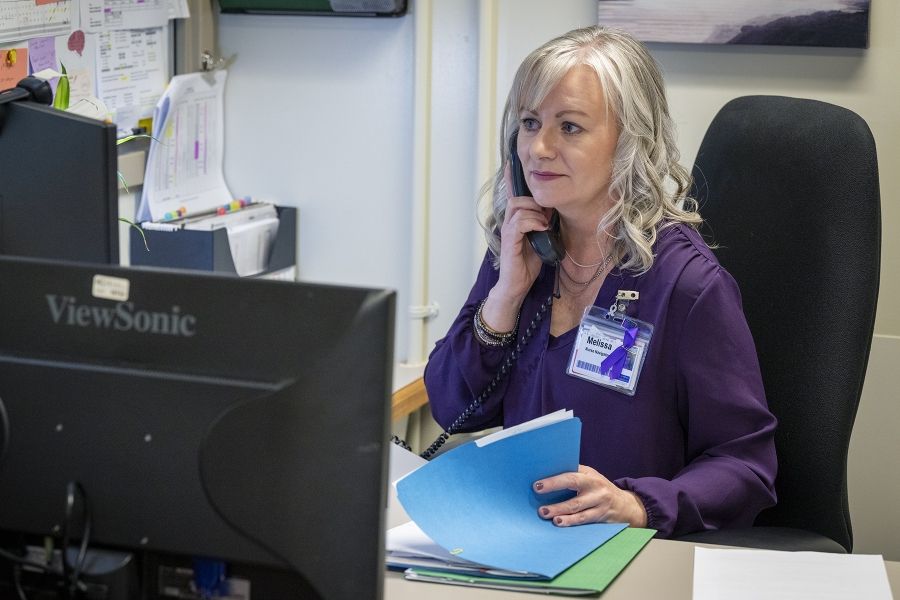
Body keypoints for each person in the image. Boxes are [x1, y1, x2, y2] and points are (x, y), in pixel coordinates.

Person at [423, 25, 777, 539]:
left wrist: (636, 504)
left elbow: (747, 468)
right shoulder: (523, 248)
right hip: (523, 535)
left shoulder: (687, 286)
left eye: (569, 127)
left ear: (630, 140)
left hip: (634, 550)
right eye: (528, 122)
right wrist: (505, 297)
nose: (538, 148)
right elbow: (452, 408)